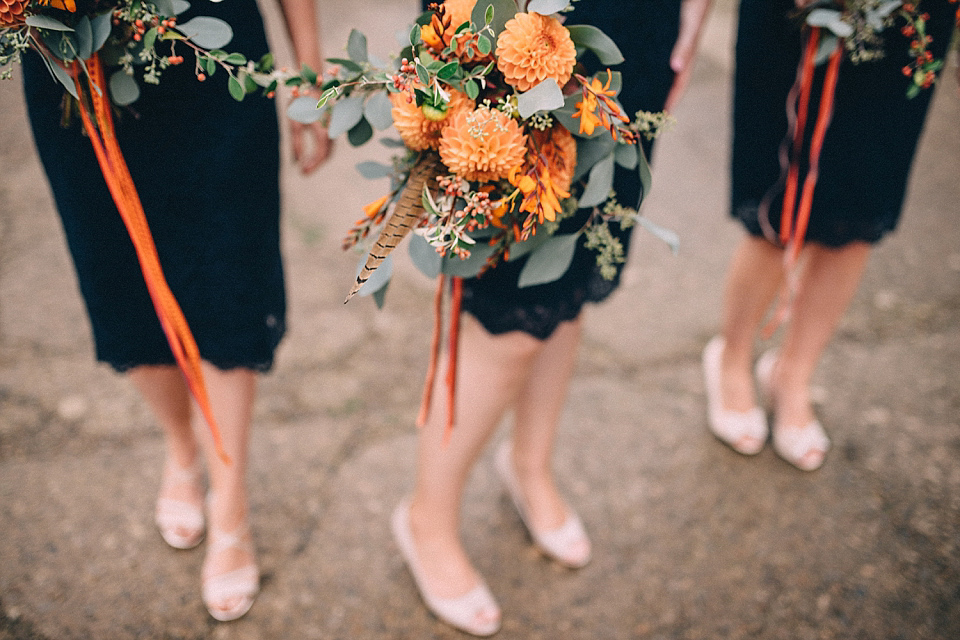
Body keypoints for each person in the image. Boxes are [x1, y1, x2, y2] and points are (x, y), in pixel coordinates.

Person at [392, 0, 712, 635]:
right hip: (507, 21)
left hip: (632, 25)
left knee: (574, 277)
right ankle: (428, 515)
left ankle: (530, 463)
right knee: (508, 312)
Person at [21, 0, 331, 622]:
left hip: (208, 59)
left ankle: (231, 502)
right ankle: (182, 446)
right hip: (72, 63)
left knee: (227, 280)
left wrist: (308, 73)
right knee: (119, 279)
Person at [703, 0, 957, 470]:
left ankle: (793, 374)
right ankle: (732, 360)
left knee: (860, 212)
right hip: (796, 19)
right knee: (775, 206)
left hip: (911, 21)